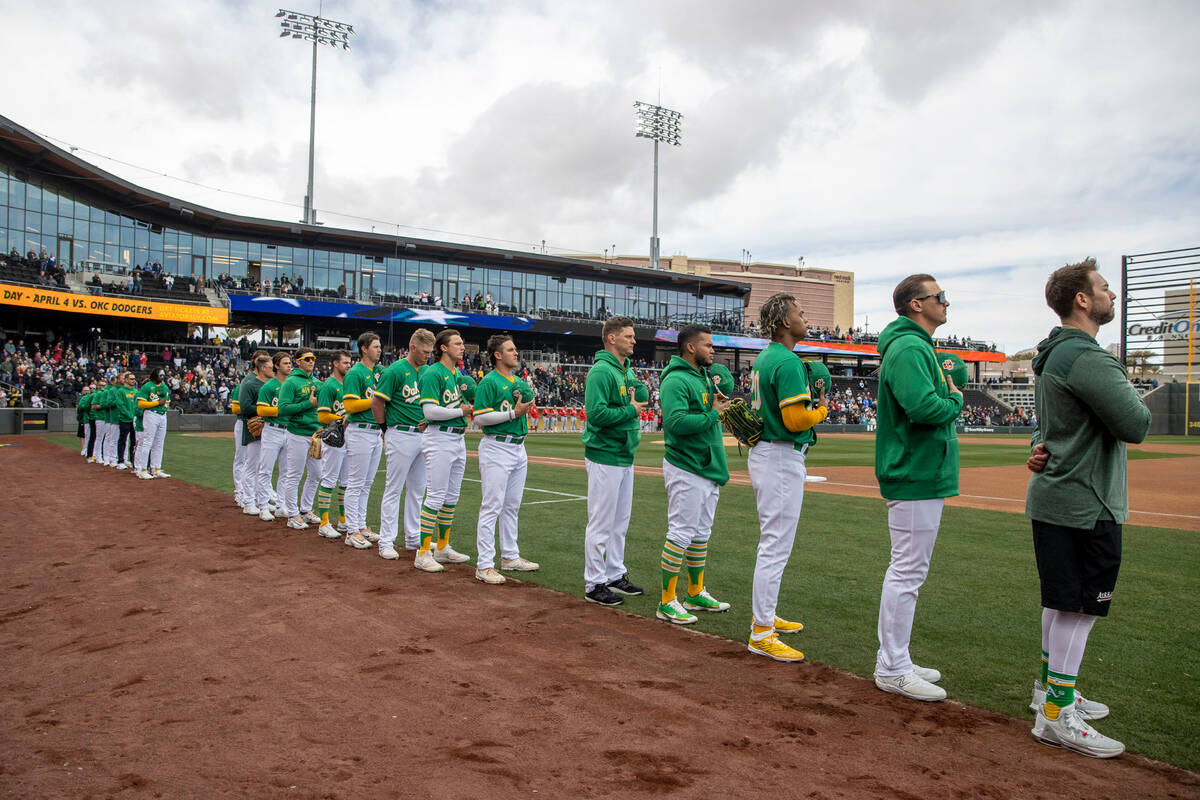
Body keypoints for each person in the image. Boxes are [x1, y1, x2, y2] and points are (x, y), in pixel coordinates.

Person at [1025, 259, 1150, 758]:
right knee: (1080, 608)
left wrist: (1040, 442)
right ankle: (1057, 716)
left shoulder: (1054, 354)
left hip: (1060, 496)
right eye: (1103, 288)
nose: (1111, 295)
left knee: (1062, 603)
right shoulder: (1086, 356)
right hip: (1086, 500)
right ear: (1081, 299)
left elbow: (1051, 426)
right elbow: (1136, 423)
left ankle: (1050, 695)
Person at [872, 275, 961, 700]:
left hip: (920, 470)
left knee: (910, 570)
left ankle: (897, 657)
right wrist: (957, 399)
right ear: (915, 304)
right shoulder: (909, 347)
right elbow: (924, 407)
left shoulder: (916, 345)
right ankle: (891, 665)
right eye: (939, 297)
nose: (946, 303)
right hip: (913, 471)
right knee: (907, 571)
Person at [746, 294, 828, 661]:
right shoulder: (788, 360)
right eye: (799, 312)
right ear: (783, 322)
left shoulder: (766, 357)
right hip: (780, 454)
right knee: (775, 545)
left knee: (773, 542)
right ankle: (761, 631)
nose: (804, 317)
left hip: (770, 453)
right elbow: (796, 421)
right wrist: (822, 409)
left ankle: (766, 615)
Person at [654, 324, 732, 625]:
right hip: (686, 466)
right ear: (690, 348)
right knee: (681, 533)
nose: (712, 350)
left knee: (700, 535)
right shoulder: (676, 380)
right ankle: (666, 601)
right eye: (708, 345)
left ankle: (695, 592)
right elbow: (675, 423)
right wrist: (714, 413)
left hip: (707, 467)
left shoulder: (702, 378)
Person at [581, 316, 647, 606]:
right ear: (612, 338)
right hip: (605, 454)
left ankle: (614, 574)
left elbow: (640, 398)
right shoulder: (601, 372)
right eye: (628, 336)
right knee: (601, 523)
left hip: (623, 454)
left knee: (620, 522)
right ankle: (594, 583)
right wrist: (631, 410)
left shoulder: (624, 371)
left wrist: (636, 398)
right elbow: (596, 415)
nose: (633, 340)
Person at [472, 334, 539, 585]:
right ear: (497, 355)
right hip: (497, 446)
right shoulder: (489, 381)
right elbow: (479, 417)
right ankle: (484, 564)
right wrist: (513, 412)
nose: (516, 353)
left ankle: (510, 556)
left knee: (512, 505)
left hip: (518, 447)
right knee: (492, 506)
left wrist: (522, 408)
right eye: (510, 350)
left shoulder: (518, 381)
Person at [413, 329, 473, 572]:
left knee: (450, 498)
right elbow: (429, 412)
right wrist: (461, 411)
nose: (463, 347)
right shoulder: (433, 372)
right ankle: (422, 552)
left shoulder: (456, 374)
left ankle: (442, 547)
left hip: (457, 438)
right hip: (440, 438)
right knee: (436, 497)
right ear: (444, 348)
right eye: (457, 343)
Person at [372, 329, 435, 560]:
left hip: (423, 434)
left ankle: (412, 537)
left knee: (418, 490)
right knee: (394, 488)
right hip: (400, 433)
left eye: (430, 352)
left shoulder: (428, 371)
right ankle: (386, 541)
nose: (428, 355)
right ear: (413, 347)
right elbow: (376, 402)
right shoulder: (396, 370)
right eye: (425, 351)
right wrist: (384, 429)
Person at [341, 332, 384, 549]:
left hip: (374, 431)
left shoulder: (378, 372)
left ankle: (361, 524)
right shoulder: (355, 373)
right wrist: (375, 400)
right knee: (356, 483)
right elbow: (350, 406)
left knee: (366, 483)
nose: (379, 349)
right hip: (359, 430)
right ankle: (351, 530)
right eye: (375, 346)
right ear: (364, 349)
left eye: (379, 346)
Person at [276, 348, 320, 530]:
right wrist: (307, 404)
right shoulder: (290, 382)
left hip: (315, 434)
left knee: (317, 474)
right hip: (297, 433)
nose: (311, 361)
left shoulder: (318, 382)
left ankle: (305, 509)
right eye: (306, 359)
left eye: (313, 358)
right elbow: (283, 408)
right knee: (294, 474)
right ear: (298, 362)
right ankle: (292, 514)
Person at [314, 350, 352, 539]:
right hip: (334, 437)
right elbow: (322, 415)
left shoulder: (348, 384)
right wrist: (341, 417)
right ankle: (324, 523)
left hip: (349, 437)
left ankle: (344, 520)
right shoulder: (329, 385)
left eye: (349, 362)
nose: (348, 365)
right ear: (335, 364)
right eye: (345, 362)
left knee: (346, 482)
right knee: (329, 479)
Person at [254, 352, 293, 523]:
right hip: (272, 429)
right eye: (285, 363)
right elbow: (261, 410)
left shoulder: (292, 385)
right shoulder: (269, 386)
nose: (289, 366)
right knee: (265, 469)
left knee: (286, 471)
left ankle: (281, 505)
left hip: (290, 430)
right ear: (276, 366)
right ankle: (262, 506)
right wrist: (282, 410)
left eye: (290, 363)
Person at [238, 352, 275, 517]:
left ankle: (263, 501)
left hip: (268, 428)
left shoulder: (273, 384)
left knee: (264, 467)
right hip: (254, 427)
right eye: (270, 366)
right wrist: (264, 410)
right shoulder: (249, 383)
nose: (273, 369)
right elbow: (245, 407)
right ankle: (248, 502)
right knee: (252, 465)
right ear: (262, 368)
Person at [134, 368, 171, 480]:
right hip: (151, 414)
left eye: (163, 375)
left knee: (159, 443)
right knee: (147, 442)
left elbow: (167, 400)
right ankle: (142, 469)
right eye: (160, 375)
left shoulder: (164, 387)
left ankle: (156, 469)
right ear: (155, 375)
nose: (162, 377)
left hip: (162, 415)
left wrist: (164, 406)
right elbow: (141, 403)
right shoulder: (147, 386)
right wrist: (156, 403)